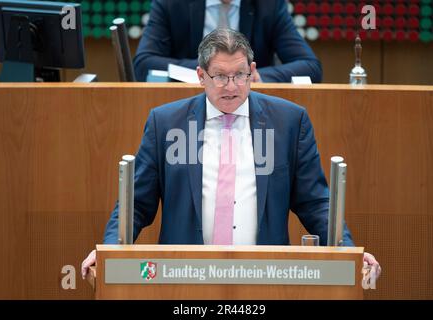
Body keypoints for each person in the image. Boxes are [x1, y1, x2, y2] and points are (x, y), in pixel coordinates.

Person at [82, 28, 380, 282]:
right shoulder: (166, 122)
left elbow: (315, 203)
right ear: (201, 76)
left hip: (265, 276)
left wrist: (349, 252)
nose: (232, 87)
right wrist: (109, 251)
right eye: (220, 77)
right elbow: (136, 204)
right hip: (183, 276)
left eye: (240, 75)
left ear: (252, 72)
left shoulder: (289, 121)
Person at [133, 0, 322, 83]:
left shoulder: (269, 4)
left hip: (252, 111)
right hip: (186, 107)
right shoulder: (172, 3)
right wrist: (211, 73)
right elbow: (143, 64)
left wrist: (254, 77)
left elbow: (310, 67)